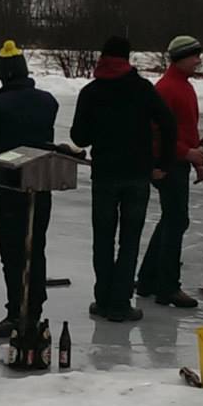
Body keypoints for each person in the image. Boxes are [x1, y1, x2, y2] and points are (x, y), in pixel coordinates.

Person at [71, 35, 177, 322]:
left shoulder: (91, 91)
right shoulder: (142, 89)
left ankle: (103, 299)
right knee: (129, 240)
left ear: (102, 58)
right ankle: (120, 303)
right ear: (127, 58)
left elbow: (79, 136)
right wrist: (164, 162)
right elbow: (168, 123)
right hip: (137, 175)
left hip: (105, 174)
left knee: (103, 238)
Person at [0, 41, 59, 337]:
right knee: (36, 247)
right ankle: (34, 308)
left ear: (3, 74)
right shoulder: (48, 101)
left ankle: (17, 312)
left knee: (13, 250)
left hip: (9, 187)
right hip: (42, 183)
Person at [136, 35, 203, 308]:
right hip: (167, 163)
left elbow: (187, 128)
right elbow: (156, 133)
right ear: (180, 58)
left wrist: (197, 159)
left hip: (179, 161)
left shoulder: (185, 87)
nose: (199, 60)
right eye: (194, 56)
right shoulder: (166, 88)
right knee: (176, 219)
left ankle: (147, 279)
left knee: (173, 218)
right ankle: (167, 286)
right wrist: (185, 153)